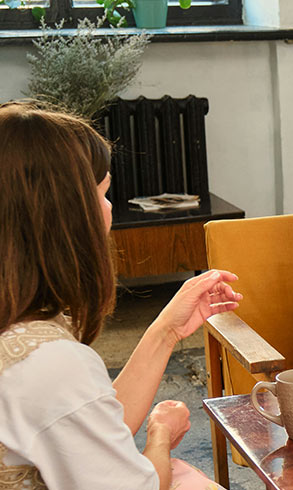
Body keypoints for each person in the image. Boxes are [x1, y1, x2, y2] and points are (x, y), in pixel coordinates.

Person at [0, 101, 242, 489]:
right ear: (67, 214)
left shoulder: (23, 332)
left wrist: (166, 330)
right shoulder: (49, 365)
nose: (109, 210)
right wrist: (160, 435)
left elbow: (83, 426)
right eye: (103, 193)